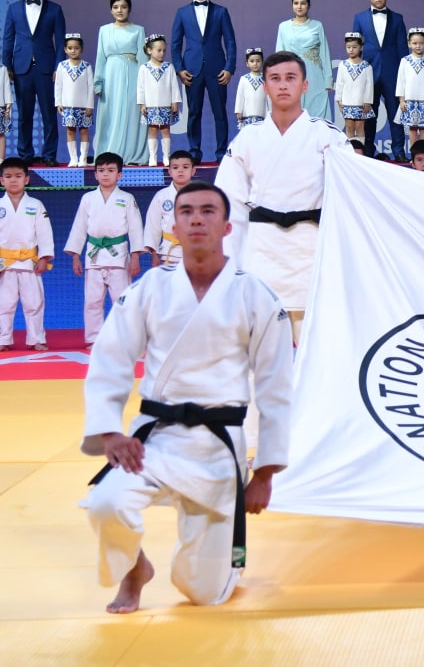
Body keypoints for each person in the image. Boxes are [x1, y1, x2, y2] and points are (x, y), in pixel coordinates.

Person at [80, 180, 294, 614]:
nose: (197, 219)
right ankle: (134, 569)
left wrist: (266, 471)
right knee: (105, 503)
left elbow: (276, 385)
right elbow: (110, 359)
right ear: (174, 226)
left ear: (227, 227)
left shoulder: (255, 294)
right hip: (155, 440)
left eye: (208, 211)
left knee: (203, 593)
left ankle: (217, 564)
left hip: (217, 449)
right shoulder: (149, 289)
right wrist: (109, 431)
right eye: (187, 212)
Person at [214, 51, 352, 343]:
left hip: (310, 249)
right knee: (260, 351)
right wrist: (228, 265)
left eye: (291, 78)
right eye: (275, 79)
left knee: (313, 349)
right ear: (265, 86)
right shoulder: (247, 139)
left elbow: (350, 202)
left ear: (305, 85)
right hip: (261, 250)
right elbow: (229, 207)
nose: (283, 85)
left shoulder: (329, 137)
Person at [64, 153, 143, 346]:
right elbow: (79, 227)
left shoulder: (127, 198)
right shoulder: (88, 198)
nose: (106, 174)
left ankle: (126, 340)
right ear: (95, 174)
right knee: (92, 301)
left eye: (110, 170)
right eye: (101, 170)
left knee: (122, 300)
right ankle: (94, 339)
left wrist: (136, 257)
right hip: (94, 255)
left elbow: (135, 229)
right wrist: (75, 256)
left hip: (119, 255)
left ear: (119, 175)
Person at [172, 0, 236, 164]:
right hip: (191, 70)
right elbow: (175, 44)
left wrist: (229, 67)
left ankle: (222, 152)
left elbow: (230, 42)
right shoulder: (182, 12)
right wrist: (179, 68)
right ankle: (194, 152)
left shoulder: (221, 11)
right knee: (193, 113)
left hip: (218, 70)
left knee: (220, 113)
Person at [2, 0, 65, 165]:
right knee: (24, 115)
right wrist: (7, 66)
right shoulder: (14, 9)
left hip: (47, 69)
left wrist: (58, 67)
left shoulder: (55, 9)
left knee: (49, 115)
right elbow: (8, 39)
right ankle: (25, 155)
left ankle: (49, 155)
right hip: (21, 69)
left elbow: (61, 42)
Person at [351, 0, 409, 161]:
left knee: (395, 115)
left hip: (393, 73)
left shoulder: (398, 18)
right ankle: (367, 152)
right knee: (369, 114)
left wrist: (404, 77)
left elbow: (403, 50)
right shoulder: (359, 18)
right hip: (368, 73)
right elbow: (355, 48)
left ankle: (399, 152)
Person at [0, 157, 54, 351]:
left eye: (18, 176)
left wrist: (44, 257)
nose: (13, 180)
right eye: (8, 176)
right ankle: (3, 340)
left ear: (27, 179)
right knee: (3, 304)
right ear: (1, 180)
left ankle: (36, 339)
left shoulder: (36, 205)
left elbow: (45, 234)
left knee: (34, 303)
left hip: (30, 262)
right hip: (4, 263)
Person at [93, 0, 148, 166]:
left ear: (129, 9)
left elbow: (143, 60)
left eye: (123, 7)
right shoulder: (104, 30)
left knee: (131, 114)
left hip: (132, 75)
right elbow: (100, 57)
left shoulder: (138, 30)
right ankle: (108, 155)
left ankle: (132, 155)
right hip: (110, 76)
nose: (119, 10)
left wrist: (144, 85)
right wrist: (98, 83)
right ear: (111, 10)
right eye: (116, 7)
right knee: (110, 114)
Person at [274, 0, 333, 122]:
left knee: (316, 114)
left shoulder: (317, 25)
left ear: (309, 5)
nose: (299, 6)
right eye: (296, 3)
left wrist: (328, 79)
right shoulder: (283, 27)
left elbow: (324, 53)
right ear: (292, 5)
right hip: (291, 75)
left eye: (303, 3)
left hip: (314, 76)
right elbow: (279, 54)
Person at [136, 34, 184, 167]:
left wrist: (175, 101)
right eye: (159, 50)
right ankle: (152, 157)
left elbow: (174, 85)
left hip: (165, 104)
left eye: (164, 50)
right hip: (150, 105)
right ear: (149, 50)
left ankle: (166, 157)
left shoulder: (169, 67)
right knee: (152, 130)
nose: (162, 53)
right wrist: (142, 104)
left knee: (165, 129)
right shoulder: (144, 68)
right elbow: (140, 88)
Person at [143, 150, 196, 267]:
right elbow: (153, 226)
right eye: (175, 167)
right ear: (170, 172)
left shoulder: (202, 195)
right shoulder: (161, 196)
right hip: (168, 252)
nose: (180, 171)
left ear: (193, 171)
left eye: (185, 167)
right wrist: (154, 254)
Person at [395, 28, 424, 151]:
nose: (418, 46)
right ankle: (414, 154)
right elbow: (401, 81)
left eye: (421, 43)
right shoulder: (405, 61)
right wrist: (401, 100)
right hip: (409, 100)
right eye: (415, 43)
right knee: (412, 128)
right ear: (409, 44)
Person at [54, 33, 94, 167]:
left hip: (83, 106)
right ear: (65, 49)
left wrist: (90, 105)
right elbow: (58, 85)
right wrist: (58, 102)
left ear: (81, 49)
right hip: (68, 106)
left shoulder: (87, 66)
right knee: (70, 130)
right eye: (70, 48)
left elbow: (91, 87)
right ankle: (73, 158)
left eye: (76, 48)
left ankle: (83, 158)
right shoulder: (62, 66)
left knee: (84, 130)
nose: (73, 51)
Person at [334, 33, 373, 141]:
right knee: (349, 127)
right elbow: (340, 83)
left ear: (361, 47)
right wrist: (339, 100)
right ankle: (350, 150)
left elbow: (369, 85)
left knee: (360, 127)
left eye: (354, 47)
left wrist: (367, 101)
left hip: (360, 103)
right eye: (348, 47)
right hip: (347, 102)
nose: (351, 50)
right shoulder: (343, 65)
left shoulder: (366, 66)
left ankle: (360, 150)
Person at [234, 49, 267, 129]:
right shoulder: (244, 79)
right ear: (247, 63)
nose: (255, 64)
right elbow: (240, 95)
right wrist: (238, 110)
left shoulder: (266, 79)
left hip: (262, 114)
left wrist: (271, 112)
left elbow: (269, 97)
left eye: (258, 61)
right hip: (247, 115)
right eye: (252, 61)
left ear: (262, 62)